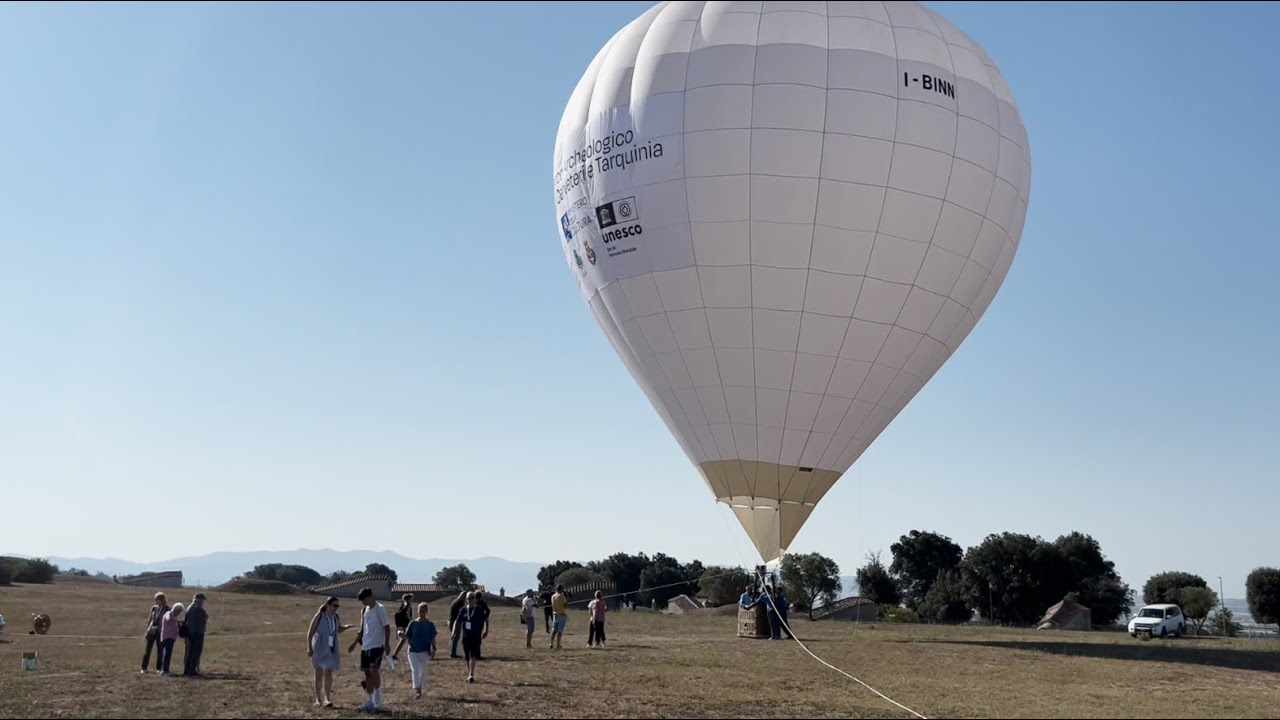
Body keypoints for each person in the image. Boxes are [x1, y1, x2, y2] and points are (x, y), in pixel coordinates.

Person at [348, 587, 392, 713]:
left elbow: (387, 627)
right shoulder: (364, 611)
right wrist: (355, 643)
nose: (363, 602)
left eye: (364, 599)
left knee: (374, 671)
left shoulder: (380, 609)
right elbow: (362, 629)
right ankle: (369, 700)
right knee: (367, 673)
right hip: (365, 645)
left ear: (370, 596)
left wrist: (387, 644)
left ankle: (378, 700)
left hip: (377, 645)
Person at [307, 596, 352, 708]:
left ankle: (327, 699)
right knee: (319, 674)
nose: (336, 608)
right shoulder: (320, 616)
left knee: (328, 673)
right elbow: (310, 632)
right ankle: (318, 699)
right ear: (328, 605)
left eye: (338, 606)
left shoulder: (335, 617)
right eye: (334, 605)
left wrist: (345, 627)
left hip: (331, 648)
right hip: (319, 647)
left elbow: (337, 629)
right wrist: (309, 647)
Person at [401, 603, 437, 698]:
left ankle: (420, 686)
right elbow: (407, 636)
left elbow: (432, 638)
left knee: (422, 671)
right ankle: (418, 690)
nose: (422, 613)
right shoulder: (413, 623)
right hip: (413, 650)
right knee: (415, 670)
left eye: (424, 611)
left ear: (427, 611)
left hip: (424, 651)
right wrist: (401, 634)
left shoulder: (430, 625)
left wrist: (434, 648)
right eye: (420, 611)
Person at [452, 592, 487, 684]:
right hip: (466, 635)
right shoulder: (463, 610)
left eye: (472, 598)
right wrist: (453, 632)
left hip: (476, 635)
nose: (470, 600)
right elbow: (457, 621)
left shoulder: (479, 610)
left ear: (475, 599)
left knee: (473, 654)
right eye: (468, 598)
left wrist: (486, 631)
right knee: (467, 656)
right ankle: (469, 673)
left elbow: (486, 620)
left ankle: (471, 674)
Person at [140, 592, 169, 674]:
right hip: (152, 631)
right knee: (147, 650)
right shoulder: (154, 608)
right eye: (156, 599)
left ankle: (159, 667)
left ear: (162, 600)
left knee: (160, 650)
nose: (156, 601)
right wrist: (147, 631)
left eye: (158, 599)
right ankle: (144, 667)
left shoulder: (167, 609)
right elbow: (150, 620)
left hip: (160, 632)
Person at [182, 593, 209, 677]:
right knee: (195, 652)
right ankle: (191, 670)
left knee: (190, 652)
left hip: (191, 633)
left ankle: (188, 670)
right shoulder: (197, 609)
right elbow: (203, 617)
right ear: (197, 599)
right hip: (196, 633)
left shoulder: (189, 608)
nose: (202, 602)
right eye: (201, 600)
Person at [158, 602, 184, 676]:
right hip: (167, 637)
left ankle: (165, 669)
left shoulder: (174, 616)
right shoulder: (169, 614)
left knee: (168, 654)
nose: (179, 613)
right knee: (166, 654)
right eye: (179, 611)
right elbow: (169, 619)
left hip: (171, 637)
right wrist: (178, 621)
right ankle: (164, 670)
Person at [447, 591, 467, 658]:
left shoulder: (455, 601)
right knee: (455, 637)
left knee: (453, 637)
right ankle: (453, 653)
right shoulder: (460, 603)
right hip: (455, 621)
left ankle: (451, 652)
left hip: (451, 620)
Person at [550, 585, 569, 650]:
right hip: (561, 614)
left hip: (555, 614)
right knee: (560, 630)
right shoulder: (561, 596)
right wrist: (566, 598)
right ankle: (558, 644)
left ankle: (551, 643)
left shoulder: (553, 596)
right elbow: (565, 605)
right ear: (561, 589)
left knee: (554, 630)